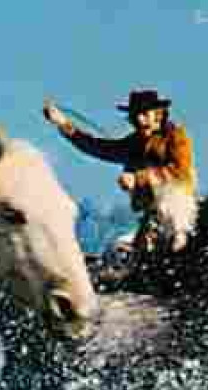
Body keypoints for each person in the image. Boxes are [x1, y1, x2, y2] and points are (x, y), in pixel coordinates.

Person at [42, 89, 198, 274]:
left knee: (169, 228)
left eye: (144, 114)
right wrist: (63, 124)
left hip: (177, 207)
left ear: (158, 114)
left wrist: (138, 178)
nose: (140, 119)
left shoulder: (175, 136)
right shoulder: (134, 143)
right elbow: (97, 147)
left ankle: (180, 247)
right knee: (122, 253)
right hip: (151, 214)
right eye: (135, 115)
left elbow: (180, 172)